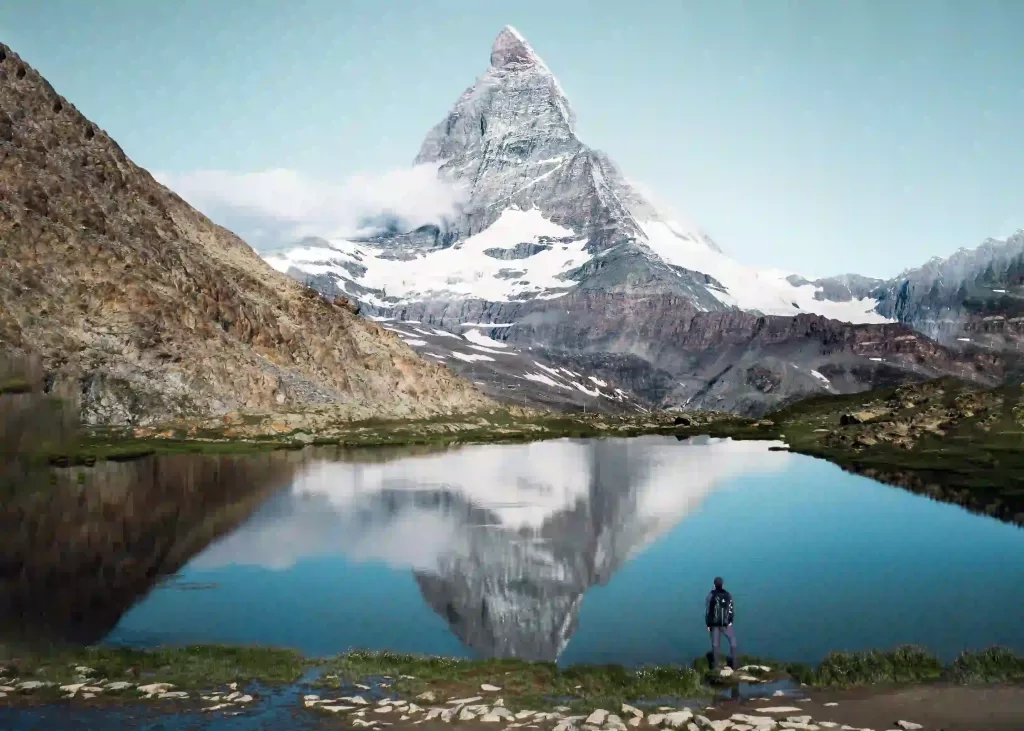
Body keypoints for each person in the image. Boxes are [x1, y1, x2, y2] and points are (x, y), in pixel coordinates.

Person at [705, 576, 737, 670]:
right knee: (733, 642)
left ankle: (715, 666)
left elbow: (708, 610)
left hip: (714, 624)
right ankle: (735, 664)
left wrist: (708, 624)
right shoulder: (727, 595)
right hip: (726, 624)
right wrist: (730, 621)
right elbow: (731, 608)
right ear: (723, 585)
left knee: (715, 645)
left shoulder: (711, 595)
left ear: (714, 585)